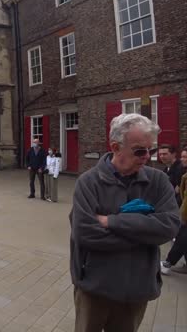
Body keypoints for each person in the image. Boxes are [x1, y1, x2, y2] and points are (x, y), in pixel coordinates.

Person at [69, 113, 180, 332]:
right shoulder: (88, 182)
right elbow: (85, 233)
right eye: (140, 150)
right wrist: (145, 234)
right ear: (115, 147)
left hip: (136, 288)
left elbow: (169, 226)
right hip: (94, 286)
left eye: (151, 150)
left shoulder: (158, 181)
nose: (147, 156)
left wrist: (112, 222)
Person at [160, 147, 187, 275]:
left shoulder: (180, 171)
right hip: (181, 210)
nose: (183, 160)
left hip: (183, 212)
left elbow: (177, 191)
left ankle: (168, 262)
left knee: (182, 236)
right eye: (182, 157)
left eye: (185, 157)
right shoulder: (171, 170)